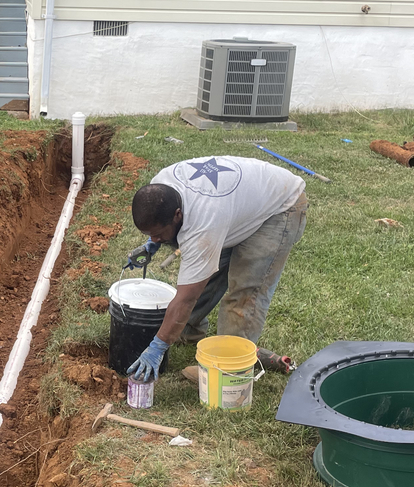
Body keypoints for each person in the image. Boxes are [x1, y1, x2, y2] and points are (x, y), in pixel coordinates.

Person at [126, 155, 307, 383]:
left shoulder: (203, 222)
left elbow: (186, 298)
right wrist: (154, 241)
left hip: (280, 208)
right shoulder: (160, 187)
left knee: (246, 291)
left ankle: (228, 370)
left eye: (159, 233)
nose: (155, 238)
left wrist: (157, 347)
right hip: (240, 206)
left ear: (178, 215)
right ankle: (186, 331)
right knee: (204, 272)